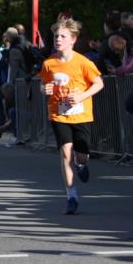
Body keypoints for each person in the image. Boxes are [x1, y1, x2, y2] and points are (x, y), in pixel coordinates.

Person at [40, 17, 104, 215]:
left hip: (81, 115)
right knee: (66, 154)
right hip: (58, 115)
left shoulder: (83, 62)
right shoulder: (49, 63)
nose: (58, 39)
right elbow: (44, 84)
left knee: (81, 155)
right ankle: (71, 195)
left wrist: (81, 96)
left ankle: (81, 164)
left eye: (62, 36)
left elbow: (99, 83)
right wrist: (45, 89)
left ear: (73, 39)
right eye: (56, 36)